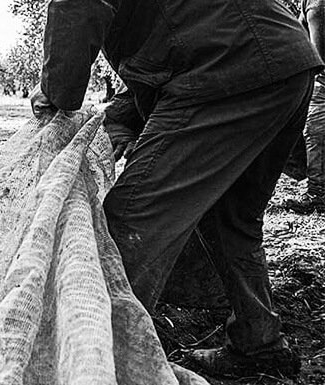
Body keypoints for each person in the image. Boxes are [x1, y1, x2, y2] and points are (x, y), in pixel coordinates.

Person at [30, 0, 323, 378]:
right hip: (286, 63)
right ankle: (260, 342)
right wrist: (122, 115)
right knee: (232, 219)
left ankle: (96, 357)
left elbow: (78, 5)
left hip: (228, 66)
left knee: (131, 217)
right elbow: (183, 29)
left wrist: (57, 96)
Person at [284, 0, 325, 214]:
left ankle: (317, 193)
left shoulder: (317, 5)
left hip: (321, 79)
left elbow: (316, 54)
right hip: (315, 76)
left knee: (314, 133)